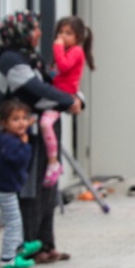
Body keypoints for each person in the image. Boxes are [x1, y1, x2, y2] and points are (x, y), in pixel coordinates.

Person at [0, 10, 82, 264]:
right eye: (34, 28)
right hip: (19, 134)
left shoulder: (27, 57)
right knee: (30, 190)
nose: (39, 33)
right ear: (19, 32)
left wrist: (74, 98)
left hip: (36, 131)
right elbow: (33, 89)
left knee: (47, 190)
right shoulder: (9, 59)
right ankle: (29, 245)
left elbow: (51, 83)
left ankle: (45, 243)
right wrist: (66, 100)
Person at [0, 99, 44, 268]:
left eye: (24, 118)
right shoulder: (10, 142)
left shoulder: (5, 138)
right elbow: (19, 160)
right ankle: (8, 258)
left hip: (5, 186)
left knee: (16, 219)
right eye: (16, 119)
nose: (22, 123)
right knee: (13, 222)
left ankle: (18, 247)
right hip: (4, 188)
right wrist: (25, 145)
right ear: (4, 123)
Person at [39, 16, 94, 187]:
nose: (62, 36)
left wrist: (57, 47)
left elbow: (63, 66)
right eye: (60, 32)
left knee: (45, 124)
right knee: (45, 123)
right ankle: (53, 161)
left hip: (64, 96)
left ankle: (53, 162)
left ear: (78, 37)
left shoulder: (76, 51)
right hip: (58, 94)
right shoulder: (68, 51)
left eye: (68, 33)